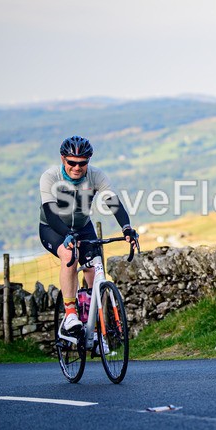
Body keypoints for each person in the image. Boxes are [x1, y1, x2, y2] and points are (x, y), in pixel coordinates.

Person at [39, 135, 138, 342]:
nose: (77, 167)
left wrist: (126, 228)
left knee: (95, 268)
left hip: (83, 227)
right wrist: (66, 235)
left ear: (88, 161)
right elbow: (50, 214)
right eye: (72, 162)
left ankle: (94, 327)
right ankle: (70, 314)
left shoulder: (96, 176)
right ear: (63, 159)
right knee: (70, 255)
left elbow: (113, 203)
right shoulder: (50, 177)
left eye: (82, 163)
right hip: (53, 228)